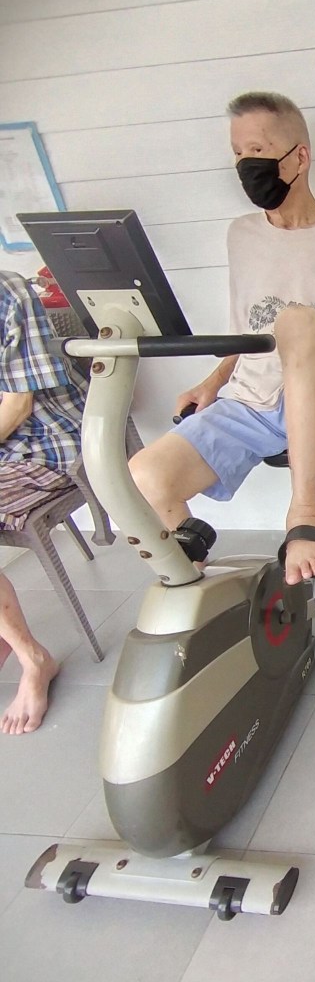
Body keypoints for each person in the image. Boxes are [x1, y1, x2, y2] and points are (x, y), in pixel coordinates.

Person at [130, 92, 315, 586]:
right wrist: (212, 382)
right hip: (253, 401)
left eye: (258, 151)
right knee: (143, 476)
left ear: (299, 157)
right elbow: (248, 335)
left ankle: (304, 514)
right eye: (238, 153)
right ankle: (196, 577)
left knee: (299, 321)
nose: (246, 164)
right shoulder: (241, 235)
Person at [0, 270, 88, 734]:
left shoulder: (7, 293)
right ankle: (6, 632)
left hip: (44, 443)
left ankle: (33, 658)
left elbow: (18, 405)